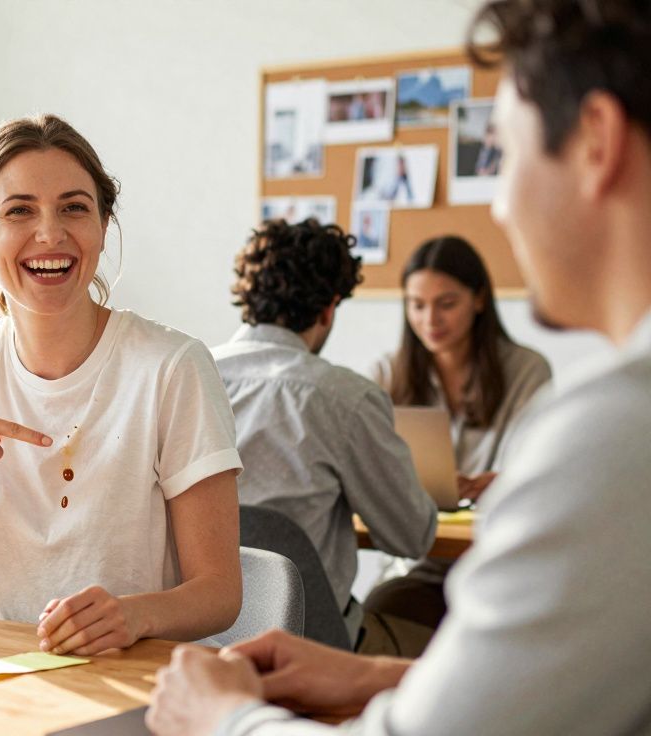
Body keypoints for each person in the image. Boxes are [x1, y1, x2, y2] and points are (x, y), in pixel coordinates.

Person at [147, 0, 651, 732]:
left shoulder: (614, 434)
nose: (501, 209)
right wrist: (382, 678)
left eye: (502, 155)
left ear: (596, 143)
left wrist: (223, 720)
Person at [0, 114, 244, 655]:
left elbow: (220, 594)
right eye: (20, 211)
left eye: (74, 208)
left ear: (102, 226)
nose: (51, 234)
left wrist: (131, 615)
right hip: (6, 679)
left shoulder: (172, 366)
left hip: (137, 682)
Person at [212, 218, 436, 651]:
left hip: (197, 645)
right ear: (329, 307)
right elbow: (412, 537)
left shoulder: (188, 375)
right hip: (313, 649)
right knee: (442, 646)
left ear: (249, 293)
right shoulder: (345, 398)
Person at [363, 235, 551, 644]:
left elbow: (536, 470)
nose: (430, 319)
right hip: (417, 567)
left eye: (446, 304)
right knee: (375, 619)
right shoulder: (386, 374)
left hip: (495, 562)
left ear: (479, 299)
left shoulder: (526, 372)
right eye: (417, 305)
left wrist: (500, 481)